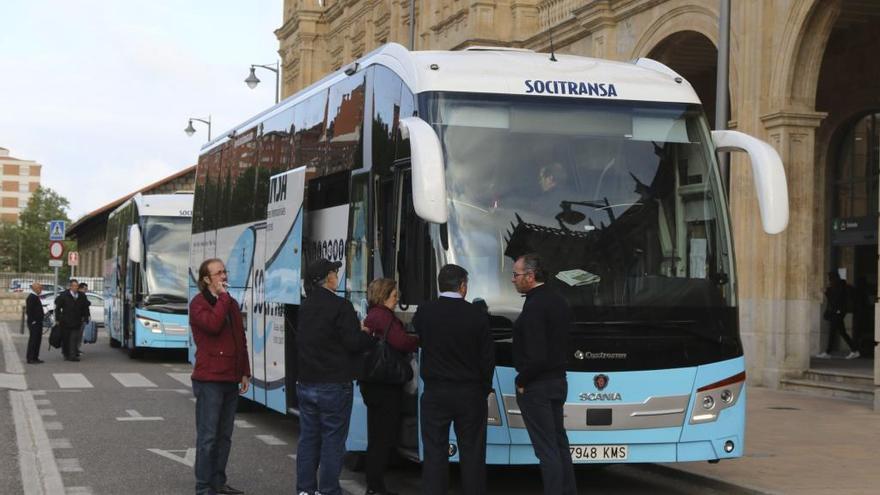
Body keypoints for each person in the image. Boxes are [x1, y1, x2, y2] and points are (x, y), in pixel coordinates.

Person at [413, 264, 494, 495]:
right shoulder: (477, 316)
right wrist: (484, 387)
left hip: (436, 392)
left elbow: (419, 334)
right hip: (470, 393)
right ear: (463, 286)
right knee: (472, 453)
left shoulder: (425, 312)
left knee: (435, 452)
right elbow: (487, 358)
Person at [296, 258, 375, 495]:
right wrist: (367, 335)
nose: (337, 275)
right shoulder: (341, 307)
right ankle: (329, 490)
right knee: (333, 440)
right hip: (333, 384)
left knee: (308, 439)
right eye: (335, 272)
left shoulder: (306, 306)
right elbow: (352, 343)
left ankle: (305, 490)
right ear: (328, 278)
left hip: (307, 382)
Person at [511, 253, 576, 495]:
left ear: (530, 276)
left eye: (516, 275)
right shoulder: (558, 300)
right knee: (559, 444)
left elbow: (537, 356)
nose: (513, 279)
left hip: (537, 385)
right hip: (559, 381)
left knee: (546, 450)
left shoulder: (535, 305)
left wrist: (521, 380)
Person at [189, 258, 250, 495]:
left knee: (225, 437)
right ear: (206, 279)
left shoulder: (230, 303)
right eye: (219, 273)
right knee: (208, 437)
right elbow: (213, 325)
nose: (224, 276)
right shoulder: (198, 304)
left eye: (225, 271)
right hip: (209, 379)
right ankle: (203, 486)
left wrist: (244, 371)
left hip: (230, 379)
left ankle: (218, 481)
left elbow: (239, 339)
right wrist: (223, 298)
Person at [361, 278, 418, 495]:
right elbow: (401, 342)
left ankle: (373, 485)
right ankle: (376, 487)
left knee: (376, 436)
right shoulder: (384, 317)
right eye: (394, 296)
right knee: (383, 438)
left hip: (372, 383)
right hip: (385, 384)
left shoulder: (372, 314)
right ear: (384, 296)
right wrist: (417, 341)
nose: (396, 300)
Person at [816, 271, 859, 359]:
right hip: (839, 312)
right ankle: (854, 350)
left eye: (830, 278)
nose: (829, 280)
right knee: (842, 332)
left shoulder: (838, 287)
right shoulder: (841, 285)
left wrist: (827, 293)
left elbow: (834, 300)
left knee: (834, 332)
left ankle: (828, 352)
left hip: (837, 313)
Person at [55, 279, 83, 362]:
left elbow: (85, 306)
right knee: (66, 338)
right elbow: (57, 308)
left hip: (76, 321)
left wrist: (85, 316)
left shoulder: (81, 296)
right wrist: (58, 319)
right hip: (66, 321)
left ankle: (73, 355)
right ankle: (66, 353)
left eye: (77, 286)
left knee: (74, 338)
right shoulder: (64, 295)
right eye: (74, 286)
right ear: (70, 287)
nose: (75, 288)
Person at [25, 282, 45, 364]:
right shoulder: (31, 297)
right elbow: (29, 311)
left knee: (37, 340)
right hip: (34, 323)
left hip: (38, 322)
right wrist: (33, 321)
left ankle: (35, 357)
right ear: (35, 288)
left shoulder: (36, 297)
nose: (41, 290)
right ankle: (30, 358)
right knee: (33, 341)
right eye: (40, 288)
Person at [74, 282, 91, 358]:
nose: (86, 290)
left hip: (83, 318)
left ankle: (77, 349)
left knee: (79, 335)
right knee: (78, 335)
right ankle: (75, 349)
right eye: (85, 289)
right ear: (80, 288)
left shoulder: (81, 295)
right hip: (80, 319)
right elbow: (86, 304)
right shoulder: (80, 296)